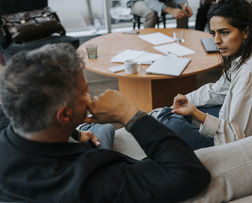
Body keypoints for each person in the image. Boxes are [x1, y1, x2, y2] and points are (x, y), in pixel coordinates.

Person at [0, 43, 210, 202]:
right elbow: (191, 174)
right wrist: (130, 114)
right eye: (84, 91)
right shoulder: (92, 178)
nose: (90, 95)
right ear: (63, 115)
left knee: (104, 131)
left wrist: (75, 132)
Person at [156, 0, 252, 150]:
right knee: (175, 114)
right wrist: (185, 101)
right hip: (240, 132)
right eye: (213, 33)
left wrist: (197, 115)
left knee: (171, 123)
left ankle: (162, 122)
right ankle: (164, 118)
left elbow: (234, 140)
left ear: (245, 32)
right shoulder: (245, 56)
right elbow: (216, 91)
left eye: (224, 32)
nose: (216, 40)